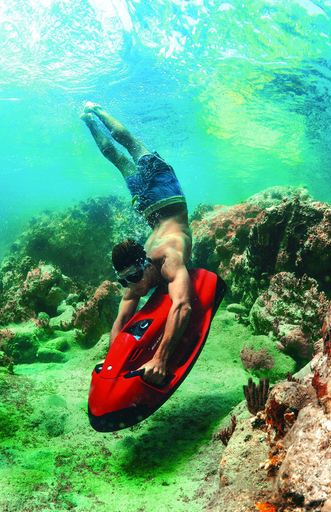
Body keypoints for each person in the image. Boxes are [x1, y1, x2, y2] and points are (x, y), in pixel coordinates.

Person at [80, 102, 192, 386]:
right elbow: (121, 320)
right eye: (123, 281)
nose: (131, 286)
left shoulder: (170, 256)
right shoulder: (137, 277)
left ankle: (98, 110)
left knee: (130, 145)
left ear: (143, 265)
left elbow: (183, 306)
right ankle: (89, 119)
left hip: (166, 194)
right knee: (117, 157)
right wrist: (112, 360)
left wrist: (161, 359)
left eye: (132, 277)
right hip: (148, 207)